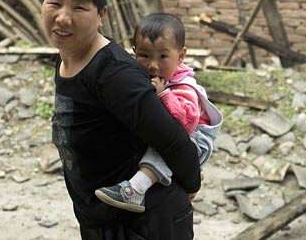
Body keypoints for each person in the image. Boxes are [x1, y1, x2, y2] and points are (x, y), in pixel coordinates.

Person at [41, 0, 200, 240]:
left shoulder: (115, 75)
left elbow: (175, 141)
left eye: (79, 7)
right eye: (55, 3)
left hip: (143, 224)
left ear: (101, 14)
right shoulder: (68, 55)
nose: (63, 18)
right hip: (100, 220)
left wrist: (190, 186)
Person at [94, 13, 222, 214]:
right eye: (144, 56)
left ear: (180, 56)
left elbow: (186, 124)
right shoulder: (147, 76)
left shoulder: (184, 87)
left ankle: (135, 189)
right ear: (134, 52)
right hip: (181, 139)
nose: (153, 65)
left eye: (163, 56)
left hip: (196, 140)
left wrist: (164, 95)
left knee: (162, 148)